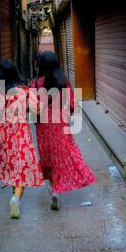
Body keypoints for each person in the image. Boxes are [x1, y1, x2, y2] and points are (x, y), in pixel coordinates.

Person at [30, 51, 96, 210]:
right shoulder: (63, 81)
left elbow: (33, 108)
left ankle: (54, 189)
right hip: (60, 123)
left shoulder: (36, 83)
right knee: (62, 155)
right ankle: (57, 190)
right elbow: (72, 105)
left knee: (48, 158)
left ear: (42, 65)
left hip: (44, 126)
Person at [0, 60, 44, 219]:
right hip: (21, 132)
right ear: (15, 73)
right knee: (22, 169)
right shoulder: (23, 91)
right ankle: (16, 197)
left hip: (4, 133)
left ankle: (14, 194)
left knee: (11, 167)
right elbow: (37, 108)